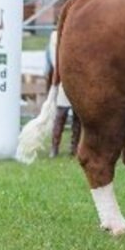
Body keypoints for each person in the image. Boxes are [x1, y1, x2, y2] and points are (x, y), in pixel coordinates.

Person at [45, 30, 81, 158]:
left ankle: (75, 147)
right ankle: (54, 148)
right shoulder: (56, 35)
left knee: (78, 116)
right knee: (61, 113)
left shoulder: (80, 34)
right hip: (65, 78)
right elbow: (55, 60)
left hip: (79, 79)